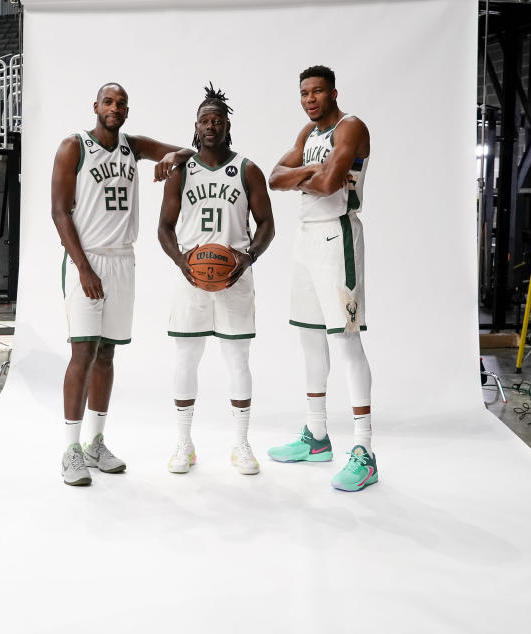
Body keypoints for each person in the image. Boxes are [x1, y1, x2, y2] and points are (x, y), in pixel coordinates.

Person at [50, 82, 193, 486]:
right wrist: (83, 268)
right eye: (109, 102)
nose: (115, 108)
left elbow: (185, 152)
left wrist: (168, 160)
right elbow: (59, 213)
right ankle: (70, 449)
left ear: (127, 111)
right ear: (95, 106)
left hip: (123, 259)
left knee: (108, 354)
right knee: (83, 352)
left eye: (122, 103)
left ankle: (96, 443)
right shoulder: (73, 146)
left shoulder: (132, 145)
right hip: (88, 258)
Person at [266, 65, 377, 492]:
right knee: (310, 338)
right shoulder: (308, 136)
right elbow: (274, 177)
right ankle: (316, 438)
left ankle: (365, 452)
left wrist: (308, 178)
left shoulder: (351, 128)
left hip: (338, 237)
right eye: (304, 93)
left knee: (345, 340)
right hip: (306, 239)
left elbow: (332, 183)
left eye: (317, 92)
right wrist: (308, 176)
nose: (310, 99)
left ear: (333, 92)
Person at [157, 84, 274, 475]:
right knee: (186, 358)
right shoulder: (180, 170)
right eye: (205, 121)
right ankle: (183, 443)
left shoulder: (247, 169)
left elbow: (267, 226)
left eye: (217, 121)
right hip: (191, 279)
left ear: (227, 126)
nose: (211, 126)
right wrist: (181, 262)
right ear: (196, 126)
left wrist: (249, 256)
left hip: (235, 279)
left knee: (238, 360)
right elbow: (164, 228)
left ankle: (241, 444)